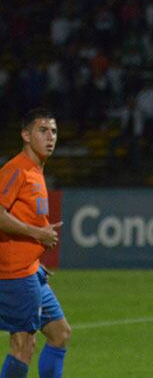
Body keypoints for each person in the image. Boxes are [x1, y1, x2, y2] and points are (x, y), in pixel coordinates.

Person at [0, 108, 72, 378]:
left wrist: (36, 260)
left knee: (60, 333)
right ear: (25, 135)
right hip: (14, 274)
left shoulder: (36, 171)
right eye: (43, 131)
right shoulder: (16, 170)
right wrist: (36, 234)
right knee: (22, 346)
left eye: (53, 131)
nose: (50, 137)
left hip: (31, 271)